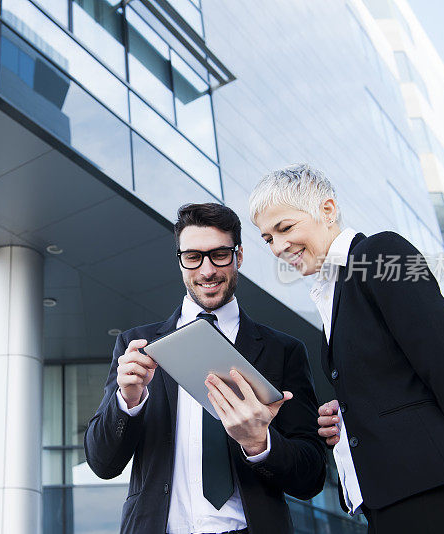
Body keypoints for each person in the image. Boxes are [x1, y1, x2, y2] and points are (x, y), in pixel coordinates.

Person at [249, 163, 444, 534]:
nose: (278, 246)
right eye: (268, 238)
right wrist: (351, 417)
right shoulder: (333, 295)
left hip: (432, 496)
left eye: (285, 228)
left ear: (328, 210)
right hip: (385, 505)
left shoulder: (381, 253)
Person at [84, 203, 326, 534]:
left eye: (219, 255)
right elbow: (102, 463)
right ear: (180, 261)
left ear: (239, 256)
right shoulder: (136, 345)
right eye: (193, 257)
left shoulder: (283, 351)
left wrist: (260, 443)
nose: (207, 270)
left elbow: (312, 476)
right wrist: (128, 401)